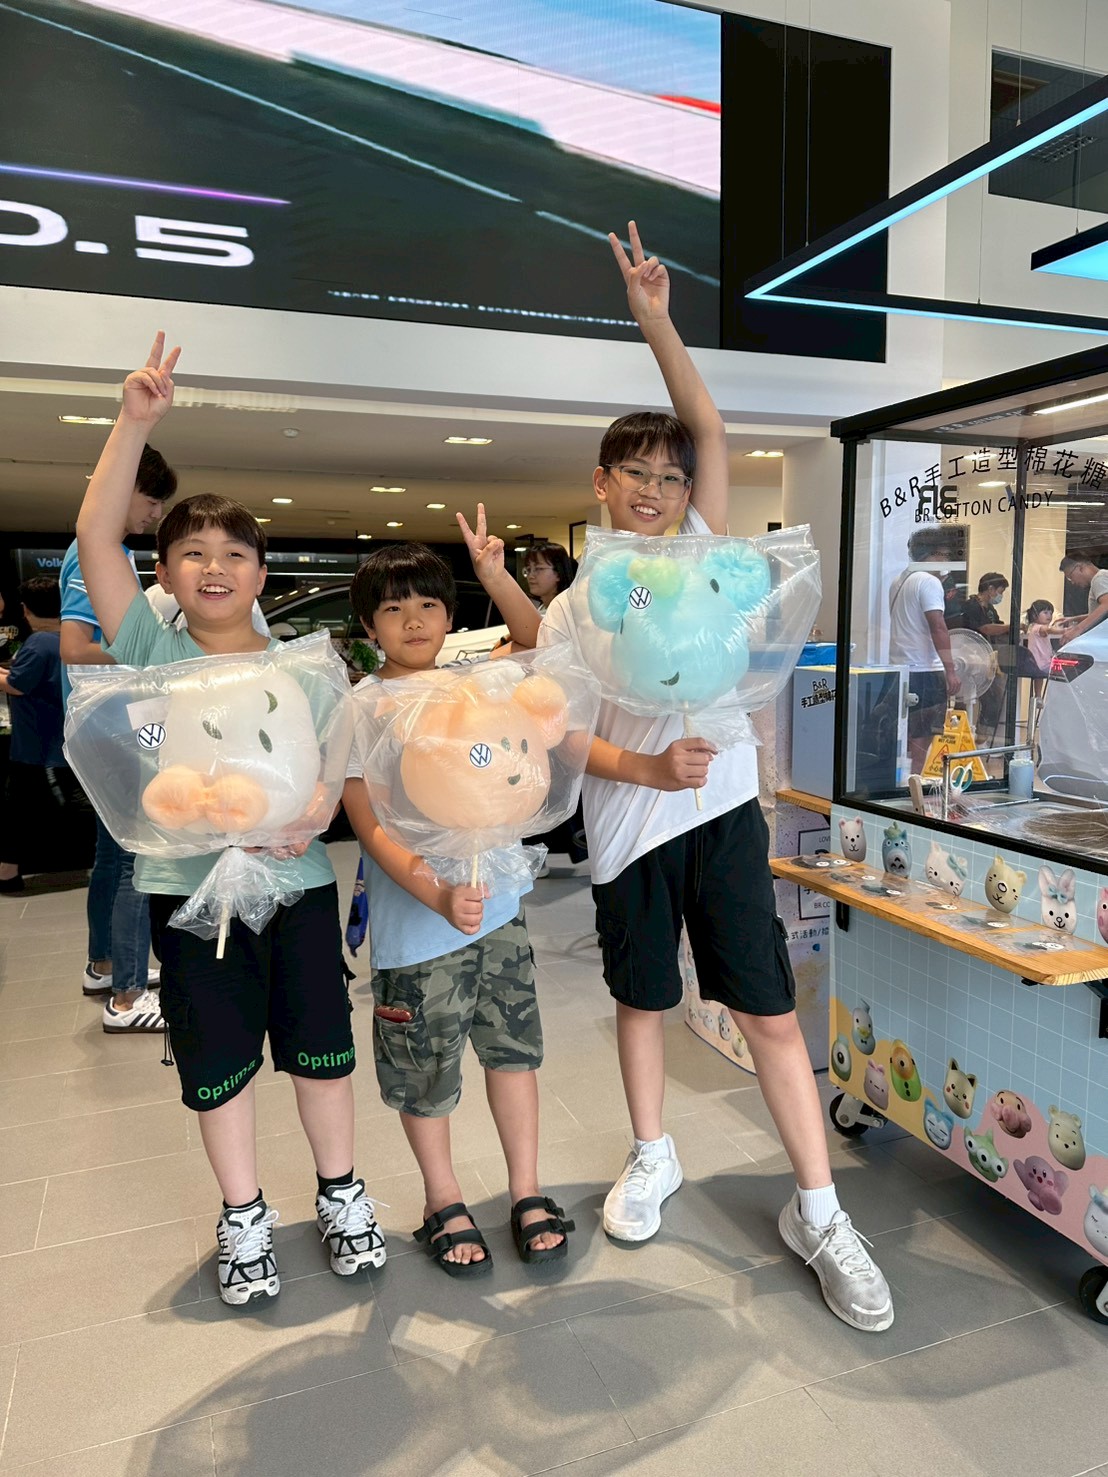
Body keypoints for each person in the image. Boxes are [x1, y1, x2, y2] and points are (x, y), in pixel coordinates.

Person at [535, 222, 894, 1333]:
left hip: (726, 811)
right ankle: (652, 1151)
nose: (655, 490)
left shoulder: (703, 552)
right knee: (642, 999)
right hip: (627, 825)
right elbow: (563, 737)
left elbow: (710, 426)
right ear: (600, 483)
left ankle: (819, 1210)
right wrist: (644, 763)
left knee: (768, 1008)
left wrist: (657, 321)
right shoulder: (572, 607)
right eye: (635, 476)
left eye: (670, 477)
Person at [75, 333, 384, 1306]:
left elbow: (335, 769)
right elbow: (95, 538)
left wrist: (314, 815)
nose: (214, 567)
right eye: (193, 554)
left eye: (234, 554)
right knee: (220, 1059)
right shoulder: (150, 648)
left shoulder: (303, 663)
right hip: (189, 893)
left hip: (296, 890)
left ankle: (342, 1192)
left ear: (260, 573)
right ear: (165, 572)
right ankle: (243, 1211)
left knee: (321, 1051)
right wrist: (133, 424)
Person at [340, 526, 575, 1277]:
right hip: (417, 932)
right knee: (425, 1074)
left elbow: (539, 647)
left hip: (498, 914)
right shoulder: (364, 705)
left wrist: (496, 576)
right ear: (368, 624)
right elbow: (368, 822)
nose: (414, 620)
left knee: (514, 1054)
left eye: (429, 604)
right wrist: (435, 892)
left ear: (450, 615)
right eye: (394, 607)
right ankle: (442, 1198)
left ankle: (526, 1188)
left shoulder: (474, 683)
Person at [61, 443, 176, 1031]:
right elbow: (75, 647)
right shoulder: (96, 558)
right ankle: (128, 996)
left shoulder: (104, 556)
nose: (155, 513)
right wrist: (152, 655)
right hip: (117, 726)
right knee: (138, 856)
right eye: (151, 499)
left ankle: (105, 965)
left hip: (106, 725)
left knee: (111, 856)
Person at [0, 578, 80, 892]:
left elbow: (17, 685)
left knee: (19, 811)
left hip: (37, 746)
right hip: (59, 741)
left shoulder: (39, 643)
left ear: (25, 609)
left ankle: (7, 874)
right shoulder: (69, 640)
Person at [888, 526, 962, 774]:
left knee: (908, 734)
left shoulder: (899, 581)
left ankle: (906, 782)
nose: (947, 560)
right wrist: (950, 671)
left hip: (901, 668)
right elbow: (938, 627)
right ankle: (914, 785)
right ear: (933, 554)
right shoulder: (928, 582)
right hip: (924, 670)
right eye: (945, 555)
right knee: (923, 737)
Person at [959, 573, 1010, 734]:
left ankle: (982, 737)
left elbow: (997, 625)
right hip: (969, 658)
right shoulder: (971, 606)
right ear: (990, 589)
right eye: (1000, 592)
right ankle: (960, 733)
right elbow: (985, 628)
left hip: (987, 657)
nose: (1000, 596)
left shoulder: (990, 609)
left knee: (993, 699)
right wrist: (1011, 626)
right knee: (966, 698)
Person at [1057, 554, 1108, 646]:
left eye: (1070, 577)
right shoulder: (1102, 576)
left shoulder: (1099, 579)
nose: (1072, 582)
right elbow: (1102, 614)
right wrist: (1075, 619)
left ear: (1080, 568)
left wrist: (1078, 629)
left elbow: (1106, 605)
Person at [1018, 599, 1059, 699]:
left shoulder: (1033, 628)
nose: (1049, 616)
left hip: (1037, 662)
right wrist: (1063, 631)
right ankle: (1043, 696)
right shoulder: (1039, 628)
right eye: (1045, 612)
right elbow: (1049, 630)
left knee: (1039, 677)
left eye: (1051, 613)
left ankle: (1038, 696)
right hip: (1041, 663)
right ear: (1034, 615)